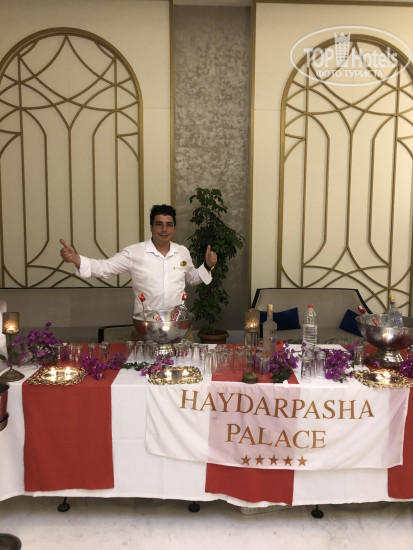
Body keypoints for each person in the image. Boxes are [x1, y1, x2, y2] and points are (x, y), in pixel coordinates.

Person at [59, 204, 217, 313]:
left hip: (177, 324)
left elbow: (192, 278)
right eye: (159, 224)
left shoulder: (182, 252)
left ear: (174, 228)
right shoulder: (134, 253)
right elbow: (105, 268)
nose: (164, 229)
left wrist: (208, 266)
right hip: (145, 326)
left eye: (169, 224)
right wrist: (76, 259)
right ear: (151, 227)